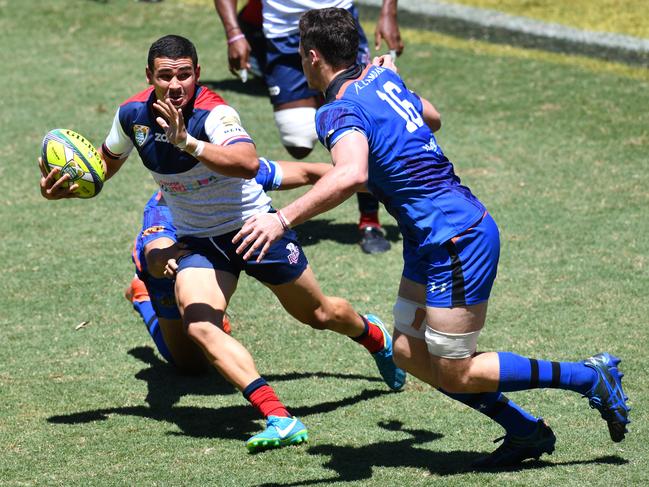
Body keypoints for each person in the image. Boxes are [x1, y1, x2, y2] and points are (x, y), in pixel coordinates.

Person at [232, 8, 631, 467]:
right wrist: (395, 85)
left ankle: (588, 377)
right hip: (429, 239)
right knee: (406, 351)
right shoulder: (381, 80)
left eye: (301, 54)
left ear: (313, 56)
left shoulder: (336, 110)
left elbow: (351, 174)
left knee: (455, 370)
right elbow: (433, 119)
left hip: (455, 239)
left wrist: (280, 221)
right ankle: (524, 431)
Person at [39, 34, 405, 453]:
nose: (175, 85)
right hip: (198, 241)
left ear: (197, 73)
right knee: (199, 324)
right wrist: (71, 186)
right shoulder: (132, 117)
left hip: (255, 230)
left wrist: (187, 142)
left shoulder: (215, 113)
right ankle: (278, 417)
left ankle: (372, 335)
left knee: (320, 314)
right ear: (149, 77)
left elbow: (247, 162)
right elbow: (103, 164)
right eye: (165, 76)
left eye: (183, 75)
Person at [214, 0, 403, 254]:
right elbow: (433, 119)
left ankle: (369, 219)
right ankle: (338, 174)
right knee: (298, 141)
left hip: (338, 24)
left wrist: (389, 12)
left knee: (365, 125)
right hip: (283, 32)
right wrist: (234, 33)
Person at [126, 157, 332, 373]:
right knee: (192, 366)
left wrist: (362, 180)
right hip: (164, 274)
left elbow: (311, 172)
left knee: (210, 336)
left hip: (212, 258)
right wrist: (168, 260)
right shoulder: (160, 209)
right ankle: (141, 295)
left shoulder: (229, 175)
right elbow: (155, 257)